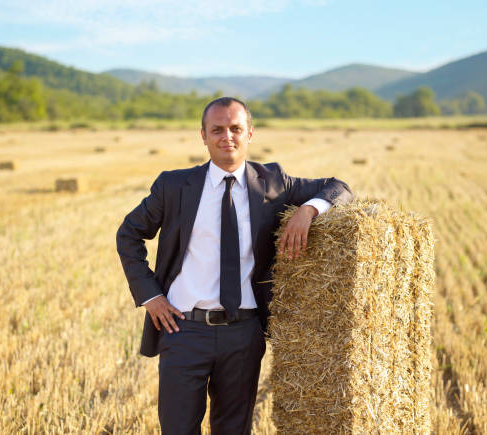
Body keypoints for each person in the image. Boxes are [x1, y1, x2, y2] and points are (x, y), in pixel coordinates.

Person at [116, 97, 353, 434]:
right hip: (183, 330)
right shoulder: (173, 186)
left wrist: (309, 209)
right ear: (203, 136)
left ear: (250, 133)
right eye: (217, 129)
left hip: (243, 333)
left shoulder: (273, 182)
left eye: (235, 128)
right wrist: (151, 296)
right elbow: (128, 235)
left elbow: (340, 188)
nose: (227, 136)